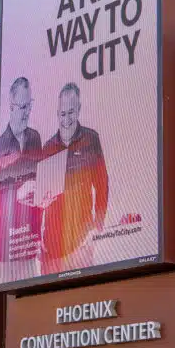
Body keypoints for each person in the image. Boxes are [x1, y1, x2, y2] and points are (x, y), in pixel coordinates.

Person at [39, 82, 109, 275]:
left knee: (84, 298)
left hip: (81, 242)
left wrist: (97, 227)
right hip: (51, 246)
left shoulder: (91, 139)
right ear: (57, 113)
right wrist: (38, 236)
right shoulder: (48, 147)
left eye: (71, 112)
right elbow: (42, 199)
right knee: (49, 302)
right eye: (62, 113)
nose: (66, 119)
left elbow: (102, 184)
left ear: (78, 109)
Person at [0, 77, 42, 283]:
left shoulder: (35, 138)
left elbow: (39, 179)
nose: (27, 113)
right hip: (6, 245)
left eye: (29, 106)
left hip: (30, 242)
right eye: (22, 107)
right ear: (11, 106)